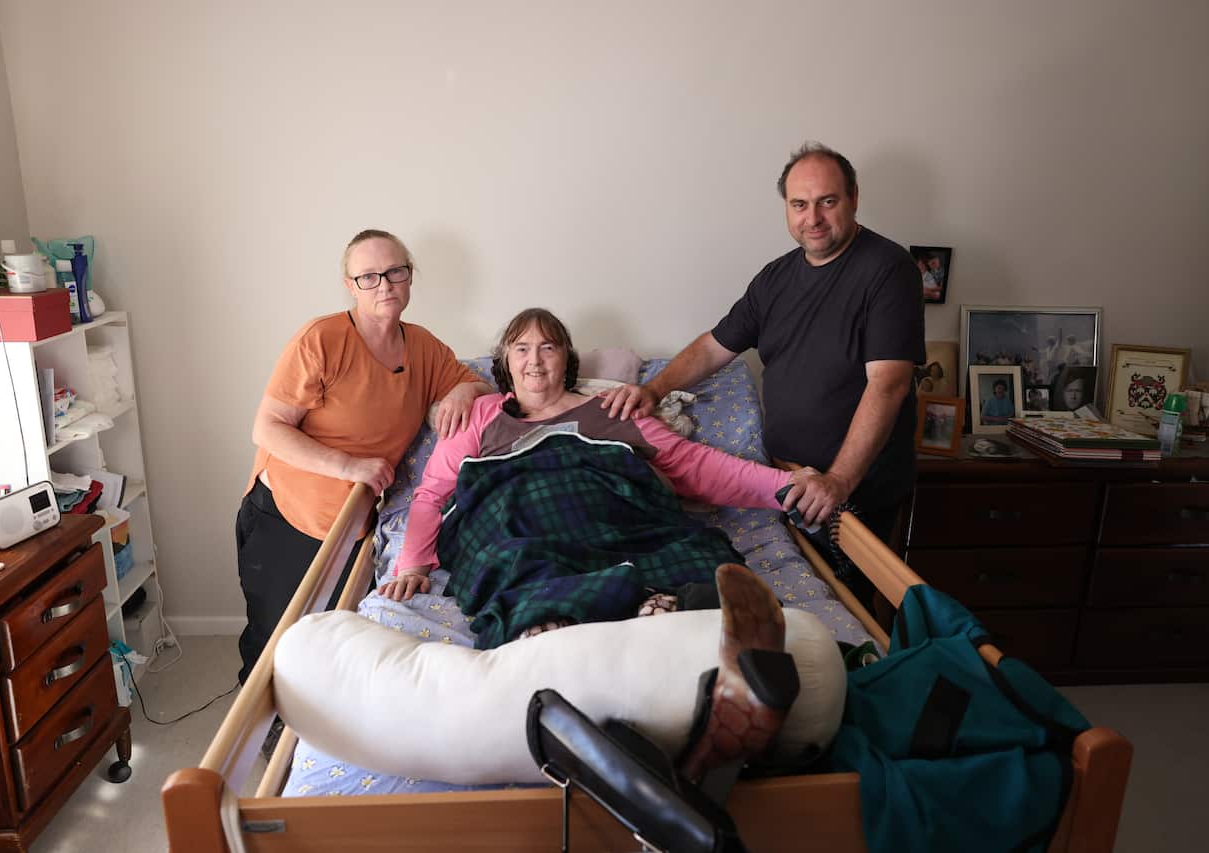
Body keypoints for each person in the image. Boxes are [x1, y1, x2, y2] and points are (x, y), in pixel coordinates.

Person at [377, 308, 817, 648]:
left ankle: (656, 612)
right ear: (505, 363)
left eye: (548, 347)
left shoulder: (612, 408)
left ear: (566, 358)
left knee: (690, 553)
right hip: (519, 534)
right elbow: (433, 494)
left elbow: (695, 465)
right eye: (521, 348)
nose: (534, 360)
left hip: (617, 523)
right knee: (514, 553)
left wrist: (783, 488)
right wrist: (412, 563)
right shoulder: (482, 414)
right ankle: (567, 625)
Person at [599, 142, 924, 550]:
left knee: (856, 603)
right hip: (786, 481)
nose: (813, 219)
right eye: (800, 205)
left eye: (827, 202)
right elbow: (714, 347)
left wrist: (839, 480)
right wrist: (653, 389)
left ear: (854, 198)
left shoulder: (888, 270)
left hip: (854, 490)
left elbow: (888, 385)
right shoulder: (775, 279)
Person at [237, 229, 490, 685]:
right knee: (276, 638)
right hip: (286, 515)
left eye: (396, 272)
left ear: (410, 278)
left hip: (354, 522)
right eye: (369, 277)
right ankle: (267, 739)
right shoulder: (322, 340)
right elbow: (267, 427)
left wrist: (462, 392)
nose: (385, 285)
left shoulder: (423, 346)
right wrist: (350, 467)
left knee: (329, 642)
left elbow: (478, 383)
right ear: (350, 285)